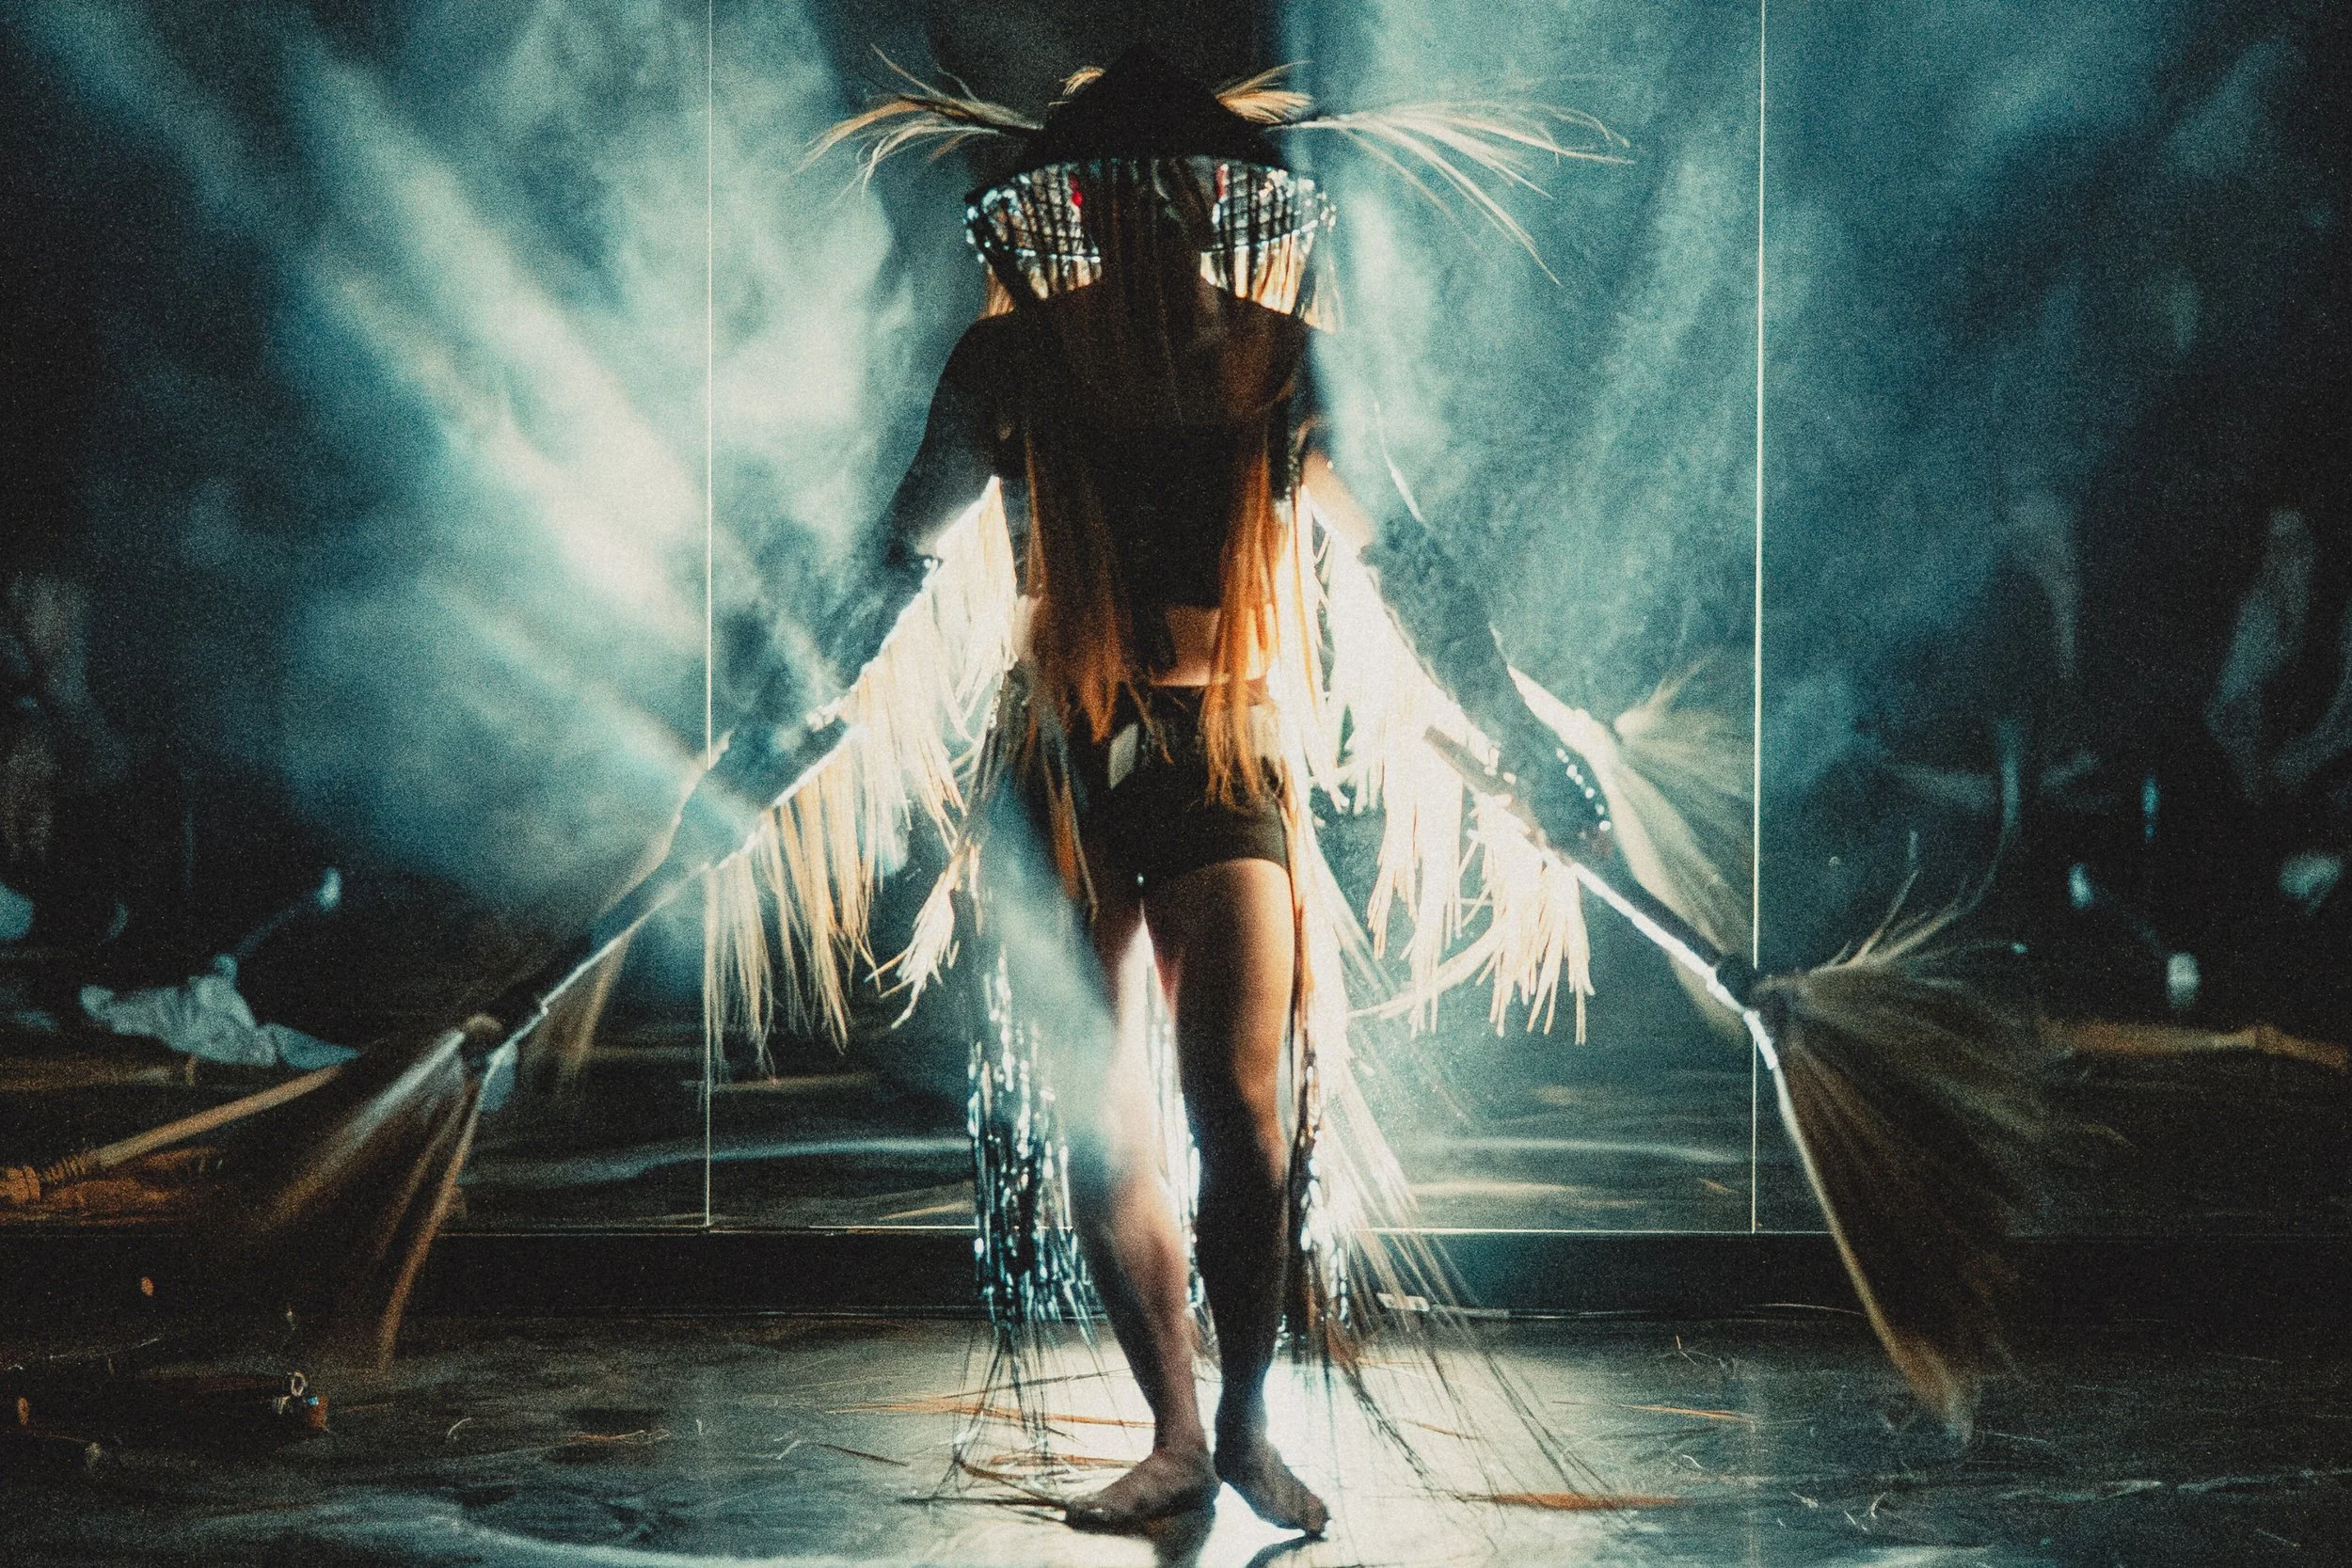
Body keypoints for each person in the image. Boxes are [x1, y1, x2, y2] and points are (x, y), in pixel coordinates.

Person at [690, 47, 1615, 1536]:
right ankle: (1178, 1431)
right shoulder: (1010, 365)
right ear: (1077, 211)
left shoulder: (1283, 363)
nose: (1151, 223)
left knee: (1240, 1109)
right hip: (1057, 756)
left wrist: (1521, 739)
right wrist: (793, 715)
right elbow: (898, 558)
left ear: (1210, 205)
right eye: (1122, 201)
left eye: (1175, 196)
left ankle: (1244, 1422)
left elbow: (1411, 567)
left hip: (1222, 747)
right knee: (1101, 1112)